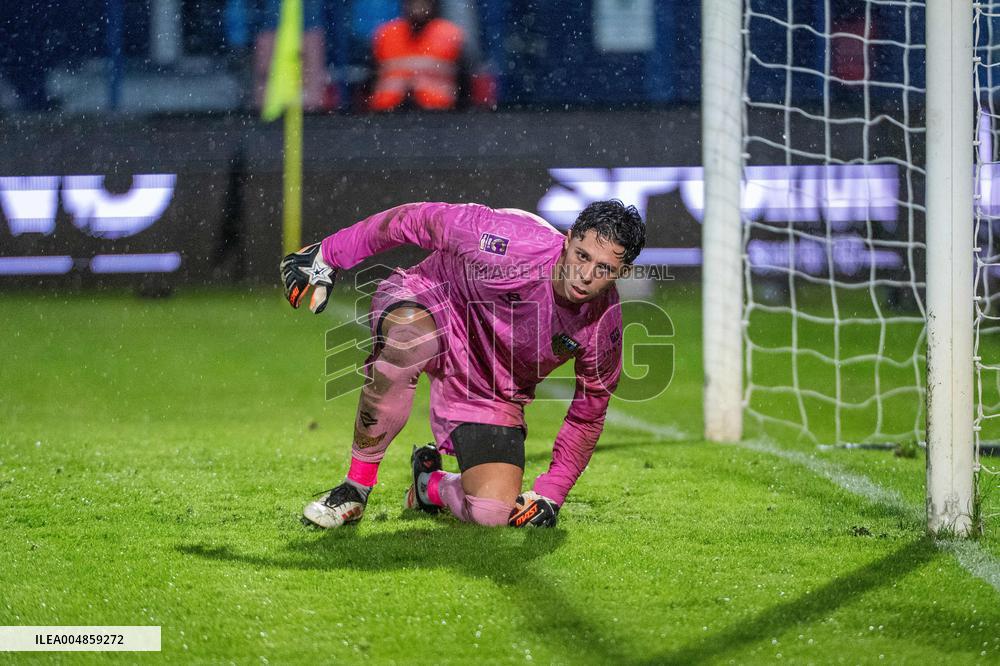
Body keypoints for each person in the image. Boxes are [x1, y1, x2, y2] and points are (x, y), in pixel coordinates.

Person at [281, 200, 645, 528]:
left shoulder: (604, 325)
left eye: (604, 268)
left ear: (622, 273)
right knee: (410, 342)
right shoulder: (506, 241)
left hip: (489, 382)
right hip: (436, 300)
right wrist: (328, 253)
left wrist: (552, 492)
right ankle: (354, 488)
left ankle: (429, 486)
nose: (586, 275)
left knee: (491, 513)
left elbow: (589, 412)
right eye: (582, 256)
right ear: (567, 241)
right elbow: (416, 220)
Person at [365, 0, 474, 111]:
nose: (418, 8)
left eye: (423, 3)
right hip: (387, 113)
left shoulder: (451, 35)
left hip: (439, 113)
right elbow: (370, 78)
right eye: (413, 3)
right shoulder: (386, 35)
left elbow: (464, 81)